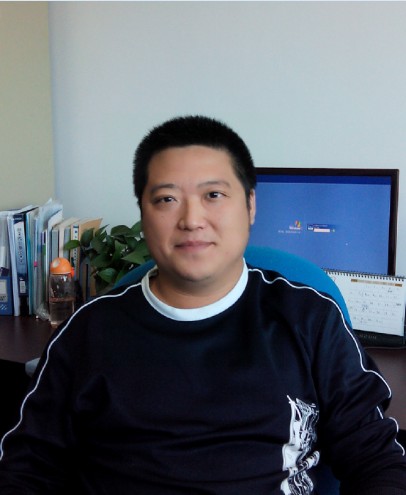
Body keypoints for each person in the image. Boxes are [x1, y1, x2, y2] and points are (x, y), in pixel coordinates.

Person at [0, 115, 405, 494]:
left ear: (250, 205)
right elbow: (27, 469)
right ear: (143, 213)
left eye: (213, 194)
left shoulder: (310, 321)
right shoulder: (88, 332)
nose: (192, 219)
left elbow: (377, 462)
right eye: (166, 199)